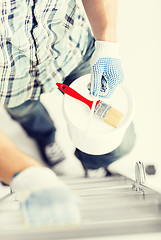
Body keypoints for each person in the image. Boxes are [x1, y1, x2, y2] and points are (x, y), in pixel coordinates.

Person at [0, 0, 135, 177]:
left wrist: (107, 46)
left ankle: (91, 164)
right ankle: (46, 139)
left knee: (121, 144)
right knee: (29, 115)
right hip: (9, 77)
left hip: (70, 49)